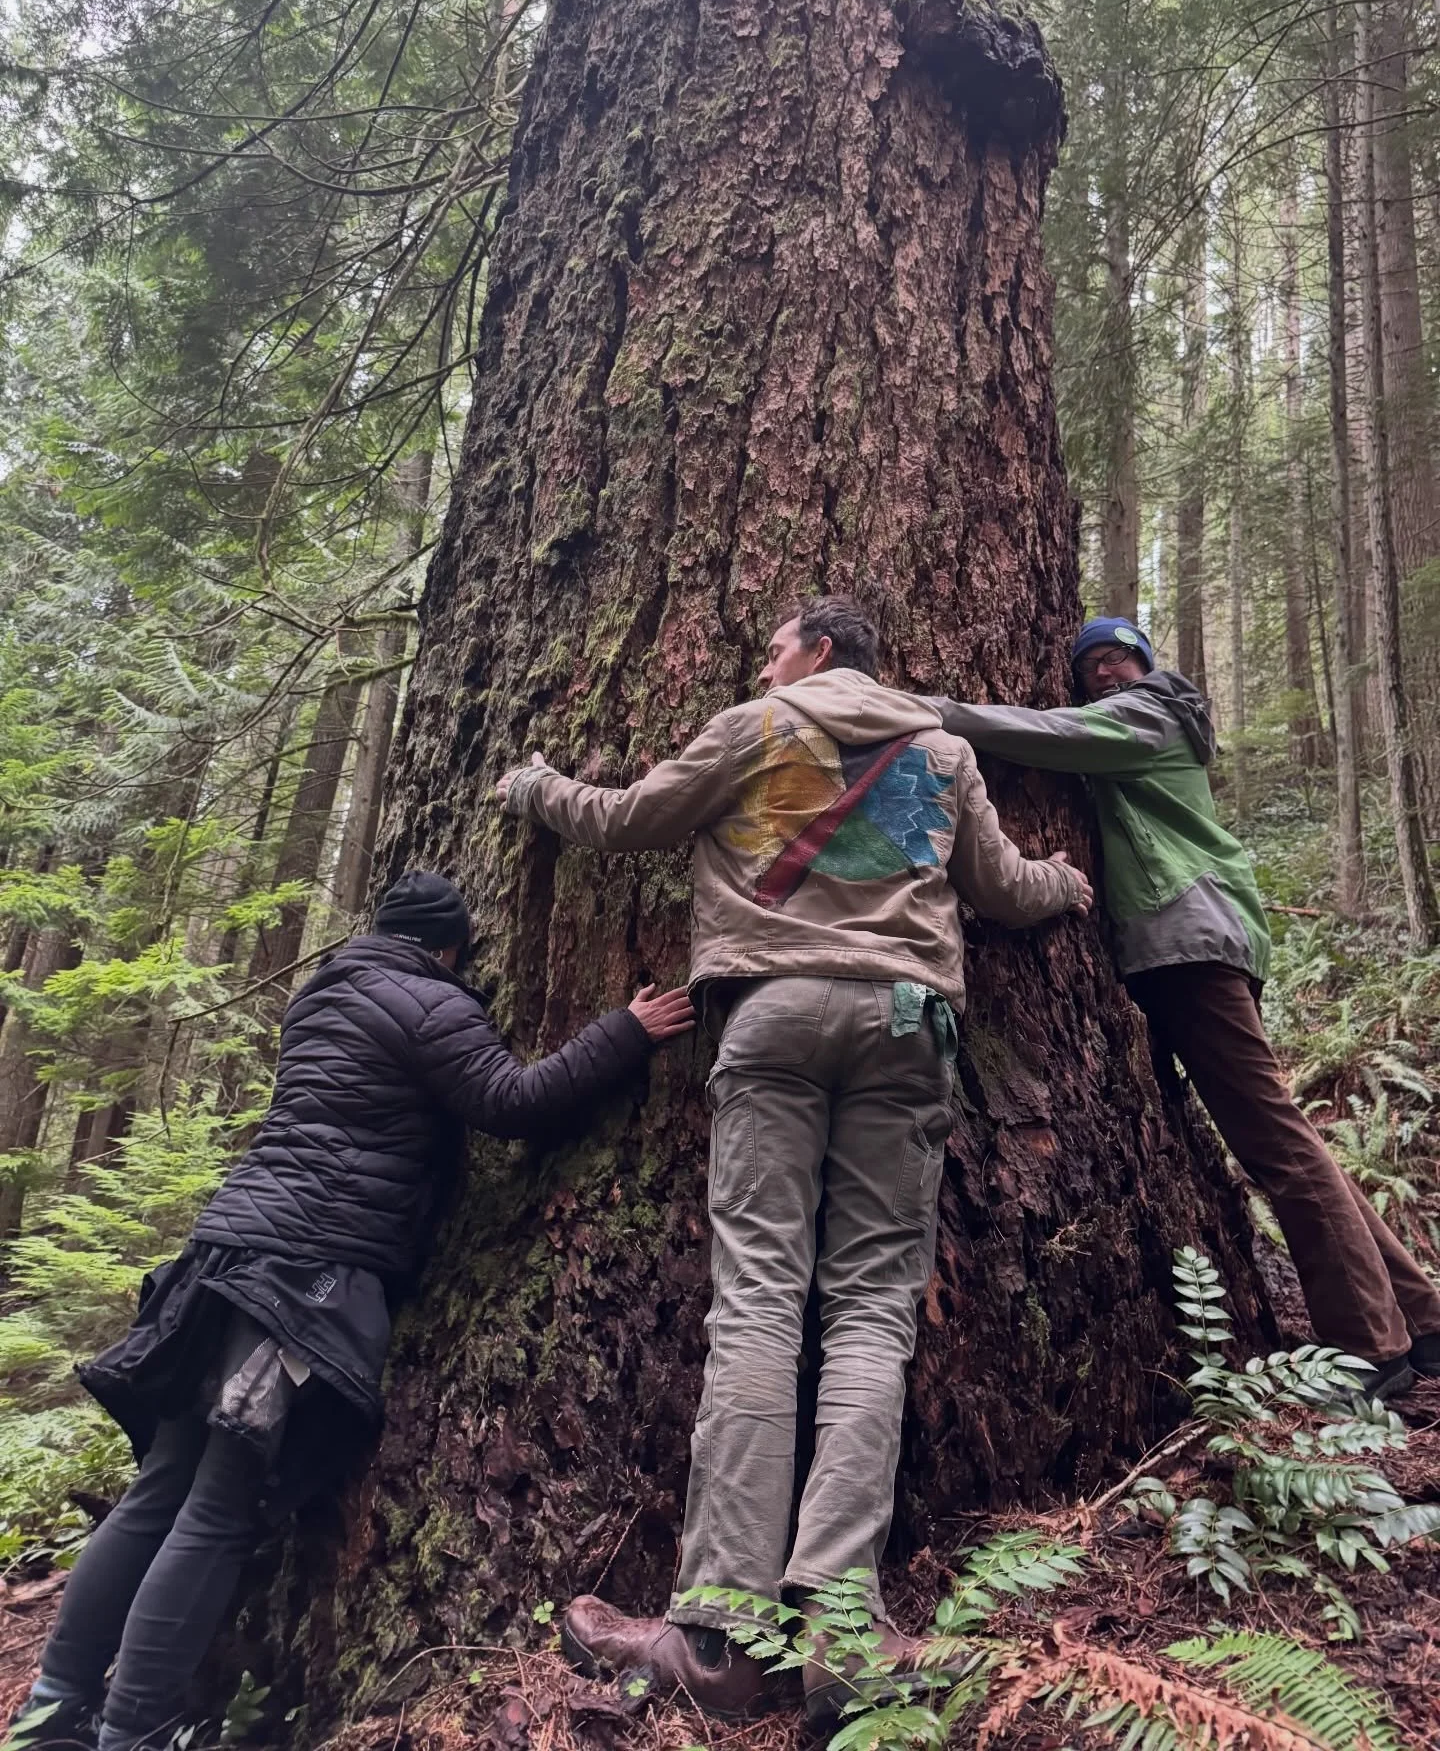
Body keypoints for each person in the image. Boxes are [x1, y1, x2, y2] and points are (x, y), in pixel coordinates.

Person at [495, 597, 1092, 1723]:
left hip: (771, 1019)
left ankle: (719, 1639)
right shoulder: (943, 747)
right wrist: (1066, 883)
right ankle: (839, 1635)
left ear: (817, 652)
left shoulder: (753, 728)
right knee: (871, 1315)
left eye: (772, 646)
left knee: (762, 1305)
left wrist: (533, 787)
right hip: (909, 1024)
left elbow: (624, 819)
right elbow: (1005, 889)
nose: (764, 662)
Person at [5, 870, 693, 1751]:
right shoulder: (426, 1002)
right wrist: (622, 1033)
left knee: (161, 1487)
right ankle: (136, 1728)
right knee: (219, 1504)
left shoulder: (319, 996)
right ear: (448, 946)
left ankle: (54, 1708)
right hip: (305, 1270)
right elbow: (511, 1104)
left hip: (226, 1252)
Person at [934, 615, 1440, 1401]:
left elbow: (1044, 733)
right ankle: (1421, 1317)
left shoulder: (1150, 714)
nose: (1104, 673)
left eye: (1117, 658)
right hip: (1196, 940)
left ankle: (1371, 1350)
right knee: (1286, 1133)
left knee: (1276, 1146)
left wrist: (927, 710)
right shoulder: (1148, 717)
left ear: (1144, 664)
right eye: (1090, 666)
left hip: (1190, 943)